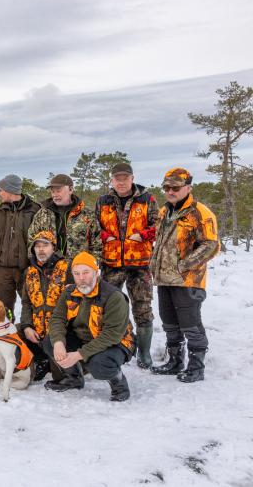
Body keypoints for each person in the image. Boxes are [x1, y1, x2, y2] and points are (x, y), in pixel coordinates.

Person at [150, 168, 219, 383]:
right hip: (164, 278)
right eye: (167, 187)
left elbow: (212, 245)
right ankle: (175, 361)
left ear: (188, 187)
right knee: (169, 322)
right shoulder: (164, 211)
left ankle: (196, 366)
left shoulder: (200, 212)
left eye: (175, 188)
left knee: (190, 323)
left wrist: (184, 265)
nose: (170, 191)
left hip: (188, 279)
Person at [43, 252, 134, 401]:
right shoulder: (70, 292)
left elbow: (112, 335)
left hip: (117, 343)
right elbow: (57, 318)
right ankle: (74, 378)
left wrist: (79, 355)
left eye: (86, 272)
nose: (81, 278)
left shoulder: (113, 296)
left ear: (96, 273)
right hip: (83, 338)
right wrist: (59, 343)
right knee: (50, 342)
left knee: (98, 364)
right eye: (77, 273)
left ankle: (119, 384)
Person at [96, 163, 159, 368]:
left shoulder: (147, 199)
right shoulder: (103, 201)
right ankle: (111, 345)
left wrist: (142, 235)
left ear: (132, 178)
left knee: (142, 307)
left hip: (139, 263)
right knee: (108, 307)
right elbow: (94, 226)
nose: (121, 182)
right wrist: (105, 236)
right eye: (117, 178)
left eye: (125, 178)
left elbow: (159, 225)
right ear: (112, 180)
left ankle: (144, 353)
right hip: (111, 263)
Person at [0, 174, 41, 319]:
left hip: (26, 269)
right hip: (2, 270)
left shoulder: (35, 210)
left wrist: (35, 265)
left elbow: (41, 239)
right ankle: (7, 338)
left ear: (10, 190)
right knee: (3, 311)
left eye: (0, 190)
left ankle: (31, 339)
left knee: (32, 306)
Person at [18, 230, 69, 381]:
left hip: (60, 330)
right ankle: (41, 359)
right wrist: (27, 326)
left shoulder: (67, 268)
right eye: (37, 246)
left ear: (53, 247)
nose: (40, 249)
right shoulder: (30, 271)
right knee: (12, 334)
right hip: (37, 327)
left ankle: (76, 365)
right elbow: (26, 302)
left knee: (60, 376)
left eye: (45, 245)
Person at [28, 174, 102, 265]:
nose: (55, 195)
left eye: (58, 191)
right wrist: (36, 263)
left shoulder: (87, 215)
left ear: (70, 189)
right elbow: (31, 240)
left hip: (78, 271)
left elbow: (97, 245)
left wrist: (92, 266)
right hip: (48, 269)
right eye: (52, 191)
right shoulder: (42, 214)